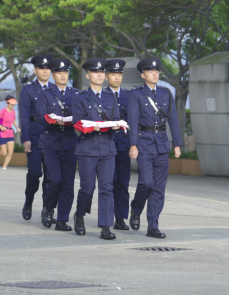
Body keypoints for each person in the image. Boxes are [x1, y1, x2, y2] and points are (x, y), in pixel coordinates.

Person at [127, 57, 183, 239]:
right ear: (143, 75)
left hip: (161, 144)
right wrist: (133, 144)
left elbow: (173, 119)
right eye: (150, 71)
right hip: (143, 143)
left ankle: (153, 226)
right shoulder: (136, 94)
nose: (154, 74)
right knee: (146, 182)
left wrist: (177, 144)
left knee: (159, 188)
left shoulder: (166, 93)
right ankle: (136, 208)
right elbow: (133, 121)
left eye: (156, 71)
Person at [72, 57, 122, 240]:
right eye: (95, 72)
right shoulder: (80, 98)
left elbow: (115, 118)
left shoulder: (111, 97)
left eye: (102, 72)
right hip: (87, 148)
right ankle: (79, 215)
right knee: (87, 188)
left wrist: (118, 125)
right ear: (88, 75)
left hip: (108, 148)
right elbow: (77, 124)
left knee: (107, 188)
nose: (99, 75)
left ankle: (106, 226)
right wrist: (94, 126)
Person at [36, 58, 79, 231]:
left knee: (68, 183)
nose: (63, 75)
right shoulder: (45, 94)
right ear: (53, 75)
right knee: (54, 179)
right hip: (50, 143)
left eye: (65, 72)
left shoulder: (75, 94)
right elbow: (39, 117)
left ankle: (62, 219)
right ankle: (48, 207)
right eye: (59, 73)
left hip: (69, 142)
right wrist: (52, 120)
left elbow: (81, 115)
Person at [18, 54, 54, 221]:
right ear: (35, 70)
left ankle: (47, 209)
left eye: (47, 68)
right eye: (41, 68)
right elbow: (24, 115)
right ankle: (29, 200)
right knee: (34, 173)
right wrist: (25, 138)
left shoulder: (55, 88)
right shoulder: (28, 89)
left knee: (51, 176)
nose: (45, 71)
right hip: (34, 137)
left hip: (53, 137)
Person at [104, 59, 132, 230]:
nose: (116, 77)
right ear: (106, 76)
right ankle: (107, 217)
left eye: (119, 74)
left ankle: (121, 217)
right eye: (113, 74)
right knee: (108, 182)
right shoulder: (101, 94)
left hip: (123, 144)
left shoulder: (129, 95)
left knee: (122, 182)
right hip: (106, 143)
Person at [0, 95, 20, 170]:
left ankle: (4, 167)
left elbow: (14, 120)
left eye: (14, 105)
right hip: (2, 134)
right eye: (11, 104)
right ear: (7, 103)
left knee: (10, 152)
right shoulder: (3, 111)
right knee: (4, 153)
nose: (13, 106)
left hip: (10, 133)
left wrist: (17, 127)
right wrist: (1, 127)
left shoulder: (13, 112)